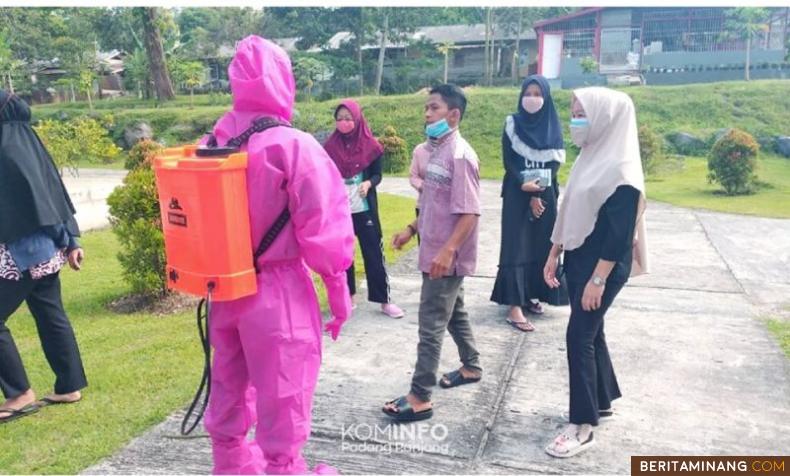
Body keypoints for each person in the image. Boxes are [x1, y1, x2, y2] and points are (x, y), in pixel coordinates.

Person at [200, 36, 355, 474]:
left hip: (226, 286)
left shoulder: (213, 140)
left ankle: (231, 467)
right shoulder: (294, 146)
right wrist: (339, 298)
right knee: (285, 392)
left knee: (229, 386)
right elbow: (324, 231)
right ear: (283, 81)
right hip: (278, 289)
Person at [543, 87, 649, 458]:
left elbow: (620, 237)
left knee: (579, 336)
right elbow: (569, 206)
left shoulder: (622, 170)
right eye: (573, 112)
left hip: (602, 266)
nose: (575, 119)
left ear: (606, 117)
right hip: (578, 258)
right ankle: (602, 399)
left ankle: (583, 425)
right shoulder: (590, 156)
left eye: (581, 112)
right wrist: (555, 250)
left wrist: (598, 280)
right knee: (592, 330)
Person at [383, 84, 482, 422]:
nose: (427, 114)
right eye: (426, 108)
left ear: (453, 115)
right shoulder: (435, 151)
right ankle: (472, 366)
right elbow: (431, 203)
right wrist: (411, 230)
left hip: (445, 258)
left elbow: (470, 211)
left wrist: (448, 251)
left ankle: (420, 395)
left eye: (434, 108)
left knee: (431, 325)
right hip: (435, 250)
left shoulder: (460, 155)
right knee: (454, 313)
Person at [0, 89, 87, 424]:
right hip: (47, 249)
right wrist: (71, 239)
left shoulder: (7, 146)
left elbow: (34, 200)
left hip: (21, 252)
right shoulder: (26, 138)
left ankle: (19, 394)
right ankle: (69, 386)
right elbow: (54, 191)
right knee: (50, 314)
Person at [490, 75, 567, 332]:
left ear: (545, 97)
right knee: (516, 244)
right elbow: (509, 160)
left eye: (537, 93)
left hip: (546, 194)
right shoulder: (512, 124)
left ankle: (532, 294)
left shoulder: (553, 126)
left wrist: (538, 192)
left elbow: (554, 164)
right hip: (516, 192)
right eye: (528, 92)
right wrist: (525, 186)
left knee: (541, 244)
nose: (532, 98)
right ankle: (514, 305)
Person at [324, 99, 404, 319]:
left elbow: (378, 174)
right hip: (341, 212)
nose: (344, 123)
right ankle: (349, 298)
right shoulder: (330, 147)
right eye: (339, 119)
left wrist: (369, 184)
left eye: (348, 119)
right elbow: (325, 175)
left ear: (357, 120)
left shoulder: (371, 146)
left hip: (365, 209)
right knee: (344, 256)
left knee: (374, 254)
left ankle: (384, 301)